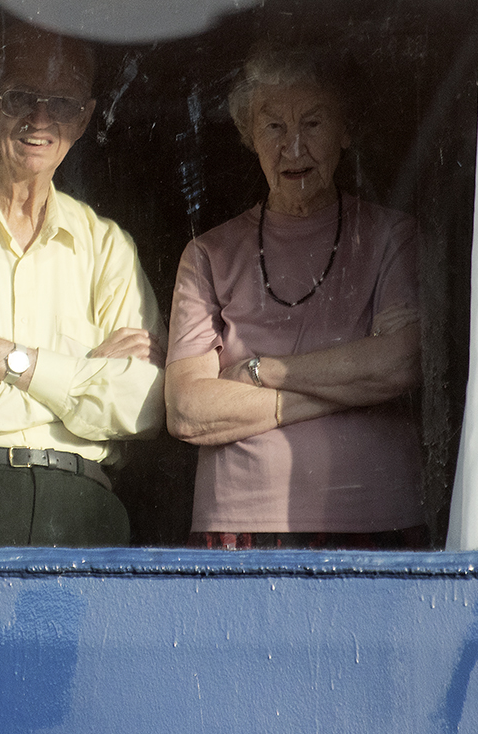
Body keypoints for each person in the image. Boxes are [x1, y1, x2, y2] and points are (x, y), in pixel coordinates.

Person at [0, 21, 165, 548]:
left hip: (83, 511)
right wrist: (82, 384)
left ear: (84, 119)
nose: (41, 119)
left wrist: (9, 359)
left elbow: (146, 403)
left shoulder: (107, 245)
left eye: (63, 103)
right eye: (21, 97)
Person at [164, 44, 427, 550]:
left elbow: (401, 363)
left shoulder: (390, 236)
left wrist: (259, 371)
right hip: (240, 523)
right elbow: (188, 410)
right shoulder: (209, 254)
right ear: (250, 137)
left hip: (374, 519)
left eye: (313, 123)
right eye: (273, 127)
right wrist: (349, 385)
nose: (293, 147)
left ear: (345, 130)